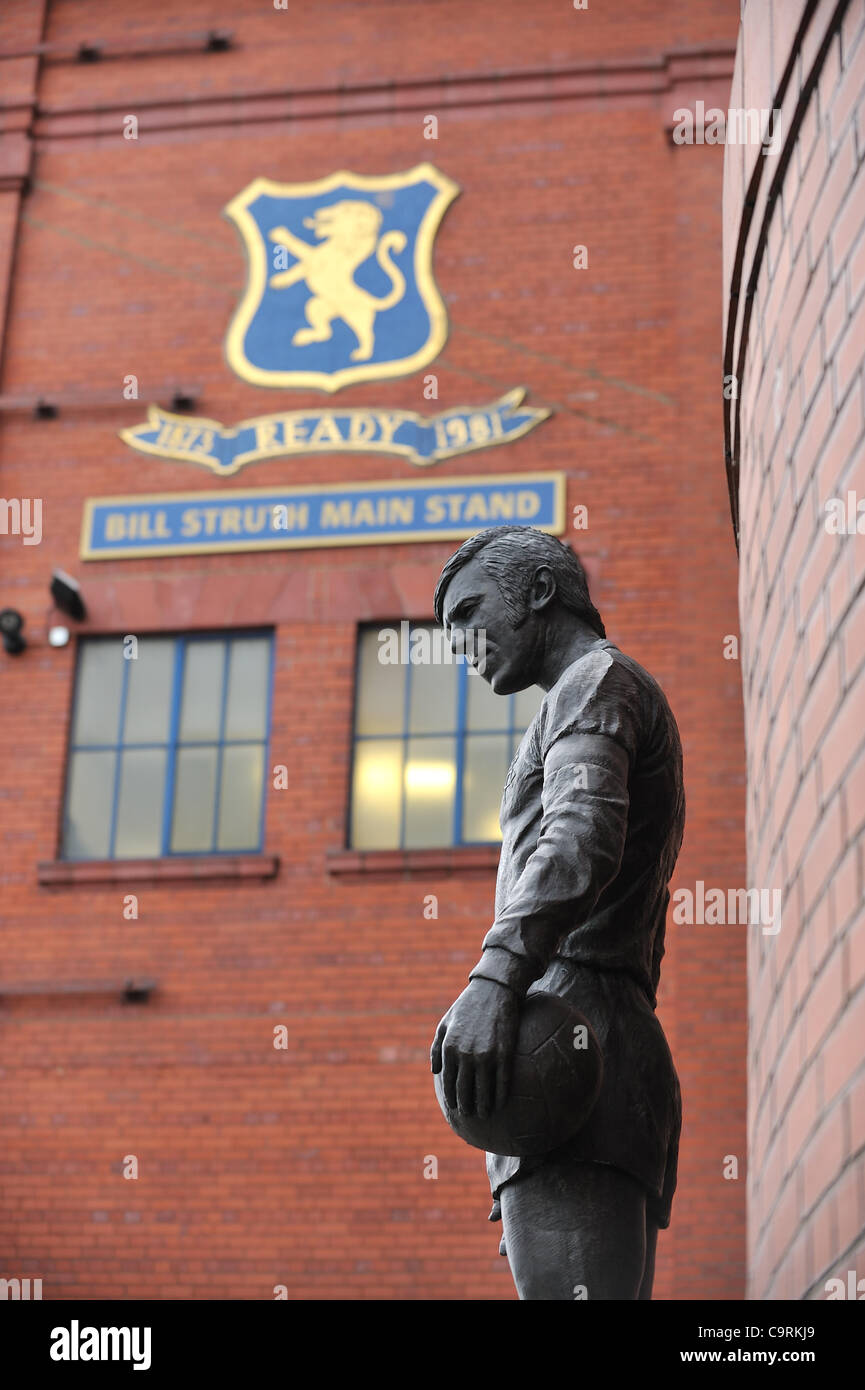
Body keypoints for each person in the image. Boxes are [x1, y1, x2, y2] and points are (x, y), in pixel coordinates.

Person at [430, 526, 685, 1300]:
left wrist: (494, 978)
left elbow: (580, 837)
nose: (461, 644)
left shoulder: (594, 681)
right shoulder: (589, 695)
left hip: (577, 1047)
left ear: (538, 592)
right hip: (588, 1051)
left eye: (470, 613)